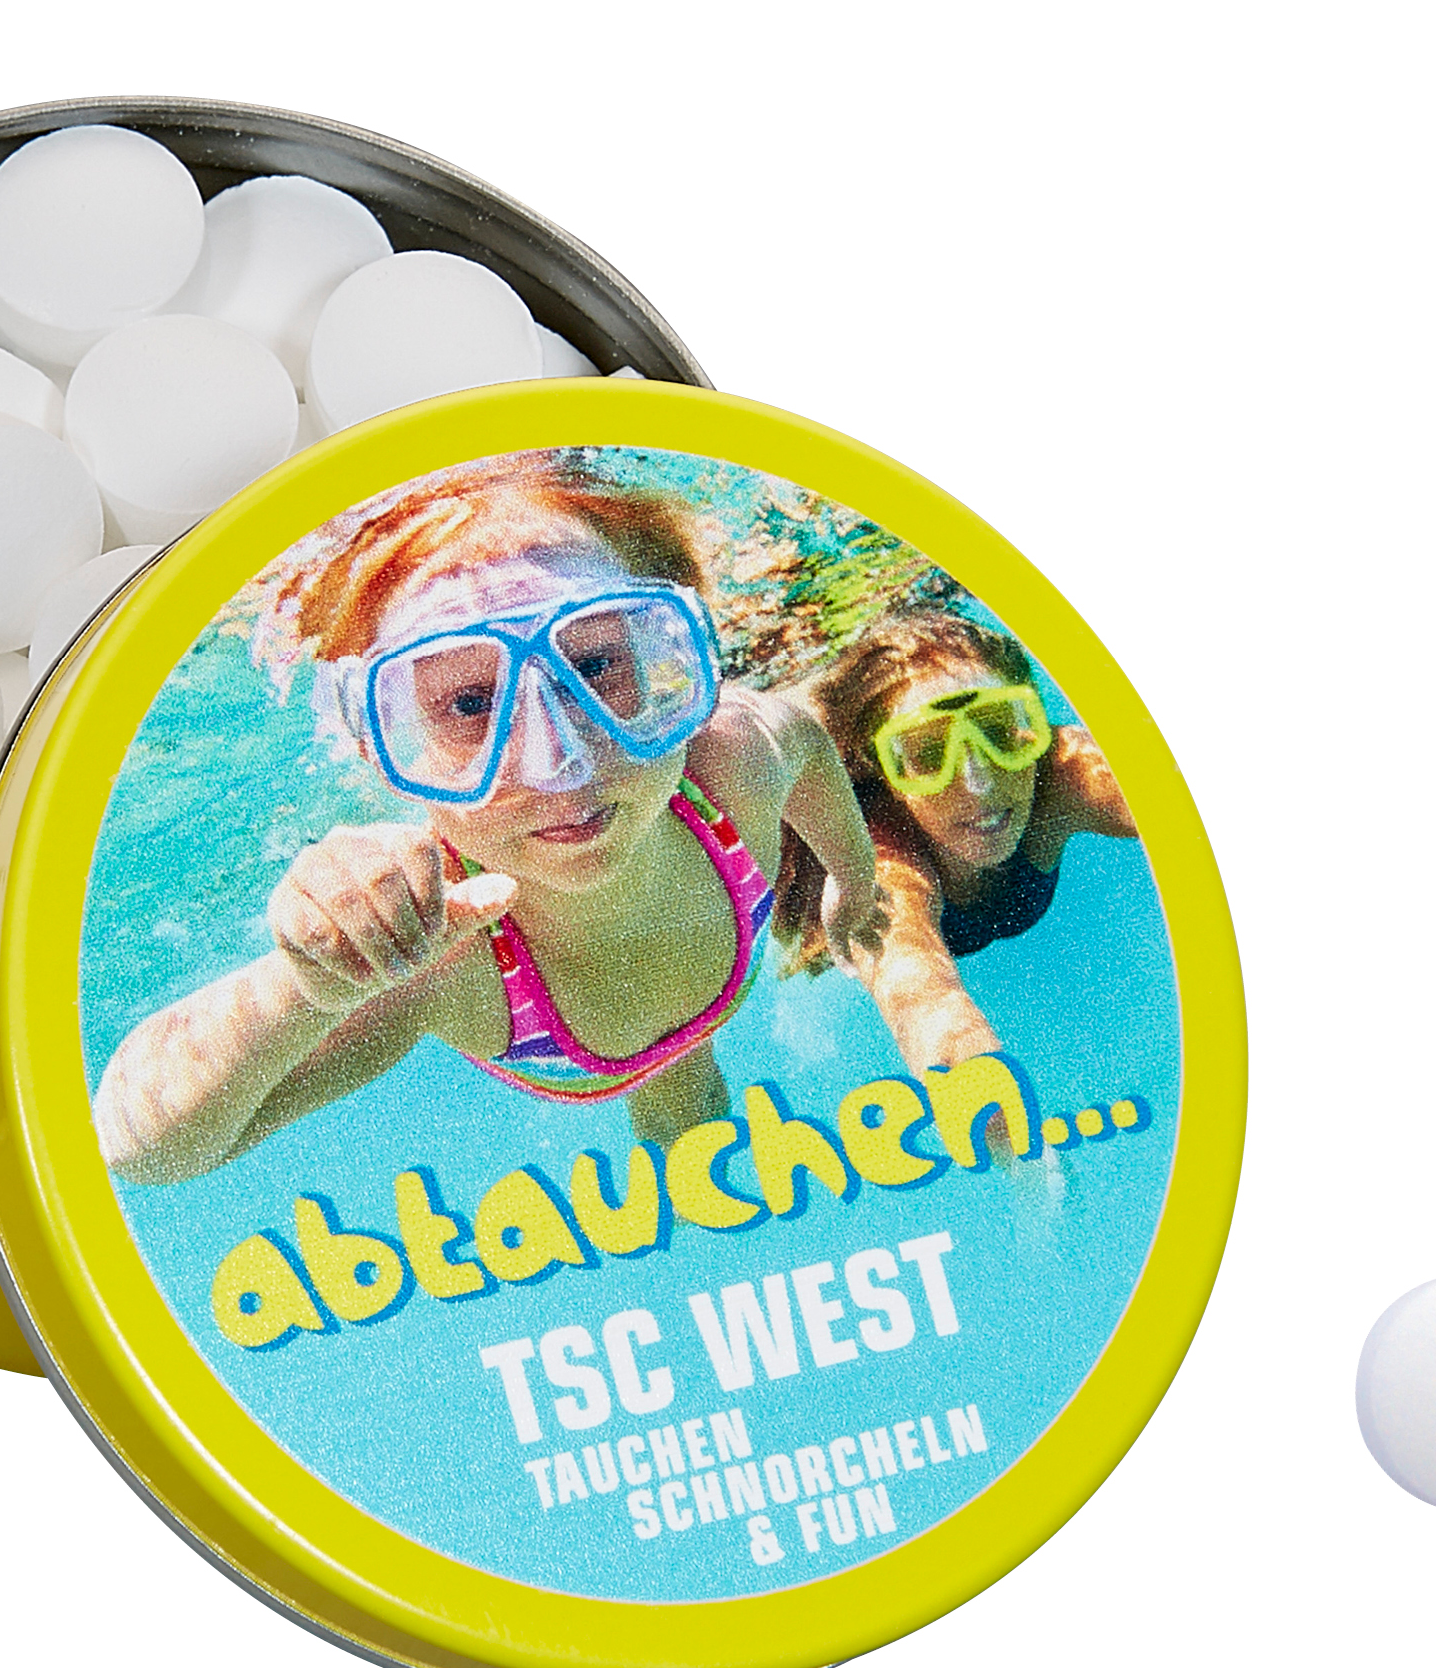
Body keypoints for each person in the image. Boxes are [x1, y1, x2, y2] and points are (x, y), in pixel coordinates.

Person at [95, 453, 882, 1183]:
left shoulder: (731, 758)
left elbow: (811, 750)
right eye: (472, 704)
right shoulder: (440, 953)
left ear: (666, 652)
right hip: (573, 1041)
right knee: (688, 1130)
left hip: (696, 1005)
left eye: (596, 664)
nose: (562, 761)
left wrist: (852, 880)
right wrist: (303, 985)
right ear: (383, 740)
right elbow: (141, 1148)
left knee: (691, 1090)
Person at [775, 606, 1137, 1072]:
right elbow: (925, 1000)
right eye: (929, 753)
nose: (978, 782)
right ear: (883, 770)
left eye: (999, 733)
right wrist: (977, 1088)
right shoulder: (879, 859)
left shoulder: (1065, 775)